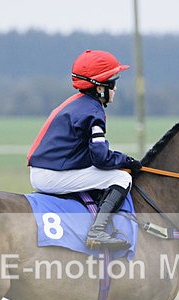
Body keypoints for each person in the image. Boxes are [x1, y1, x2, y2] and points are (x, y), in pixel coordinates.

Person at [27, 49, 142, 251]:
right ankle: (97, 232)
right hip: (51, 175)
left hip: (46, 170)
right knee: (121, 178)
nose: (115, 88)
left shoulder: (78, 103)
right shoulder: (93, 111)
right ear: (100, 88)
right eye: (113, 83)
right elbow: (100, 158)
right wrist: (127, 161)